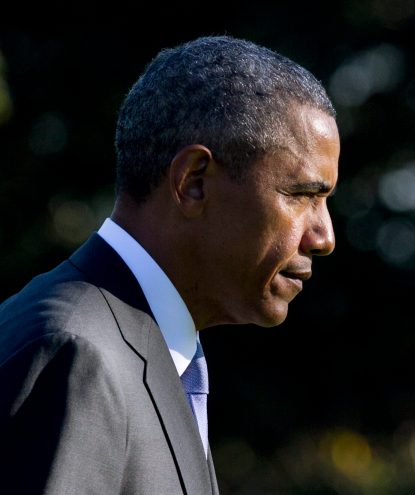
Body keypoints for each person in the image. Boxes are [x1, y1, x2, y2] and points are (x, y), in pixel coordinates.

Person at [0, 35, 339, 495]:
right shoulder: (75, 353)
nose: (324, 237)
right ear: (194, 182)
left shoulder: (144, 349)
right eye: (302, 195)